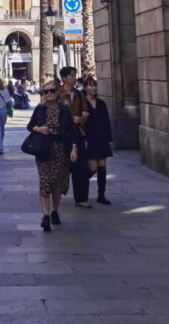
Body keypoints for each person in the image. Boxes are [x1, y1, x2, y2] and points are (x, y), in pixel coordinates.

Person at [27, 80, 78, 231]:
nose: (49, 94)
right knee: (44, 181)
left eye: (52, 91)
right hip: (43, 149)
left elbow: (71, 132)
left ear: (57, 93)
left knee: (56, 182)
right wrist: (38, 129)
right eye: (45, 91)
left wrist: (74, 149)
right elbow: (30, 126)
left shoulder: (64, 110)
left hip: (60, 149)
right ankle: (45, 215)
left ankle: (54, 210)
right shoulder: (39, 109)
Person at [60, 67, 92, 208]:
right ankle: (56, 193)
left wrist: (81, 119)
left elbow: (86, 111)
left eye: (74, 76)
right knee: (61, 167)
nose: (74, 78)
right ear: (64, 78)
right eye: (71, 76)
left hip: (78, 133)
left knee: (81, 167)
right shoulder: (58, 94)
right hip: (62, 135)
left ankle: (81, 198)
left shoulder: (79, 95)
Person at [83, 78, 115, 205]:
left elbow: (106, 121)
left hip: (101, 138)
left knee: (102, 167)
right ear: (85, 88)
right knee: (93, 167)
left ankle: (101, 194)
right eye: (90, 86)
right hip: (90, 138)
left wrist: (109, 139)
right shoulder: (83, 103)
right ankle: (80, 185)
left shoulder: (101, 103)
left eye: (95, 86)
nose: (93, 88)